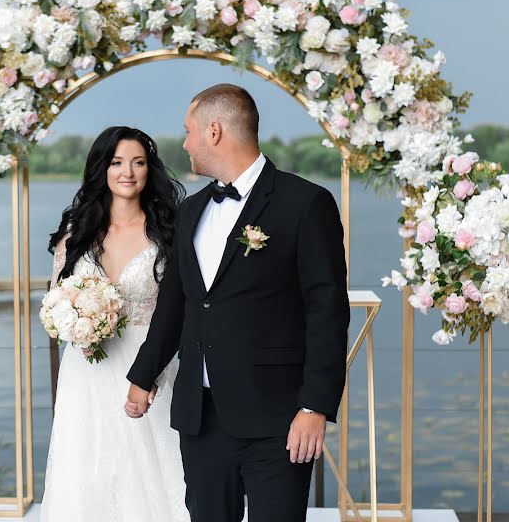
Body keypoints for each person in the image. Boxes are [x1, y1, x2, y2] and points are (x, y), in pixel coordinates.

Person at [125, 83, 350, 522]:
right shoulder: (190, 211)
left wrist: (315, 407)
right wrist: (143, 375)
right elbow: (177, 304)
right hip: (201, 418)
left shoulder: (305, 204)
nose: (185, 143)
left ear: (213, 131)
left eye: (189, 131)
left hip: (279, 419)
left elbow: (327, 312)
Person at [41, 126, 190, 522]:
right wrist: (75, 323)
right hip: (86, 370)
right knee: (86, 473)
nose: (128, 172)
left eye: (138, 162)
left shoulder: (168, 233)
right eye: (117, 162)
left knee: (152, 471)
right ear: (101, 169)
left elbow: (181, 308)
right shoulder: (77, 234)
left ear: (149, 170)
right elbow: (56, 302)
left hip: (149, 363)